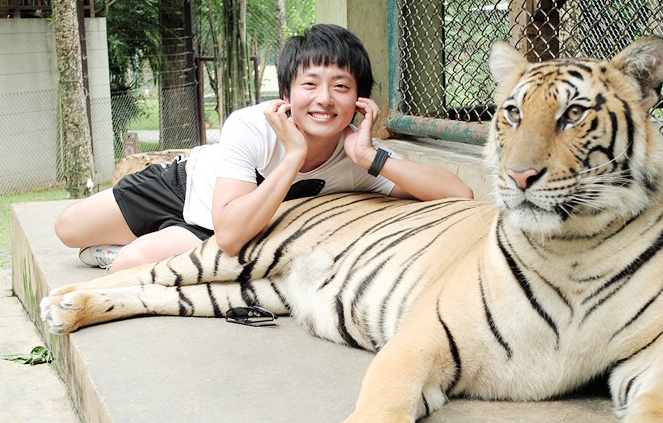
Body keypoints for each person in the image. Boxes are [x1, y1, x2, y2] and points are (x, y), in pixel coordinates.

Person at [54, 24, 473, 272]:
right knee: (68, 229)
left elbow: (460, 194)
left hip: (215, 227)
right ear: (288, 93)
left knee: (128, 264)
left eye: (341, 87)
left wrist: (371, 157)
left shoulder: (357, 154)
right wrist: (292, 153)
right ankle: (135, 232)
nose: (324, 99)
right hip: (184, 185)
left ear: (360, 101)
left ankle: (121, 251)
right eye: (310, 84)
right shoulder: (251, 125)